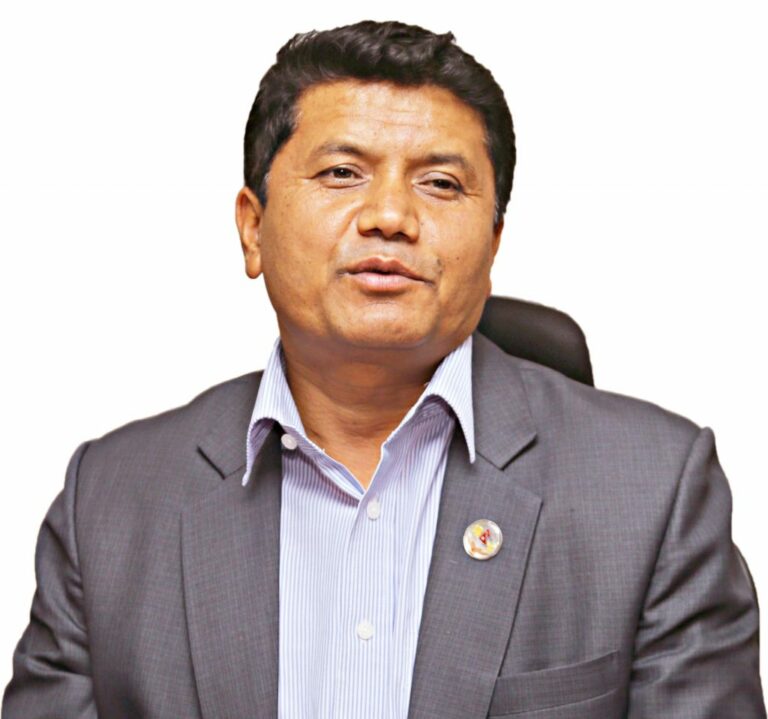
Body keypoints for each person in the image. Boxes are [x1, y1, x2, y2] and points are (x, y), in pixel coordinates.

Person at [2, 19, 765, 719]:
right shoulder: (110, 502)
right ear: (253, 228)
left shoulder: (653, 493)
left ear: (494, 244)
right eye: (342, 173)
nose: (391, 216)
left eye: (441, 183)